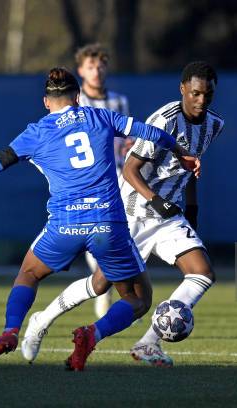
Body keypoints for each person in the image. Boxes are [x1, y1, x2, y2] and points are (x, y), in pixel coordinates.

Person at [0, 67, 198, 371]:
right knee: (138, 300)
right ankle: (91, 334)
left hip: (64, 226)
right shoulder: (101, 117)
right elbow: (151, 132)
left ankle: (10, 332)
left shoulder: (36, 132)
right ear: (78, 97)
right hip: (106, 225)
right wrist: (180, 151)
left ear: (46, 102)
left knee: (29, 273)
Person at [21, 61, 224, 368]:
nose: (200, 100)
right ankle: (42, 320)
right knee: (101, 284)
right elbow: (130, 170)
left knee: (202, 273)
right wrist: (155, 200)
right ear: (183, 89)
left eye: (207, 95)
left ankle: (148, 343)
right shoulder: (164, 120)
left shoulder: (214, 125)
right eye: (195, 93)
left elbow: (189, 165)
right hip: (133, 210)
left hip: (168, 214)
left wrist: (191, 209)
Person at [75, 43, 133, 318]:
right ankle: (102, 281)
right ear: (80, 71)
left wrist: (129, 145)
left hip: (117, 179)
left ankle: (109, 283)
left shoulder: (119, 101)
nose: (96, 71)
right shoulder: (76, 102)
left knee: (116, 234)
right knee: (91, 236)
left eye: (100, 65)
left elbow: (123, 140)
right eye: (90, 66)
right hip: (86, 180)